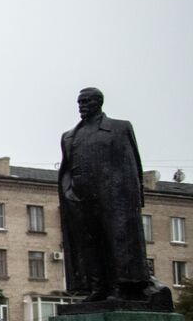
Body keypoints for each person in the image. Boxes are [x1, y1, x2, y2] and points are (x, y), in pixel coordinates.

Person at [58, 87, 167, 304]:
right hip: (80, 200)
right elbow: (67, 168)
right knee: (89, 245)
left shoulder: (118, 128)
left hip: (113, 198)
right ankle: (98, 287)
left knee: (117, 243)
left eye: (87, 101)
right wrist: (68, 191)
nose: (82, 106)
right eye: (80, 102)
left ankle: (121, 287)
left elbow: (132, 164)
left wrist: (133, 198)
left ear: (99, 102)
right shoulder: (70, 136)